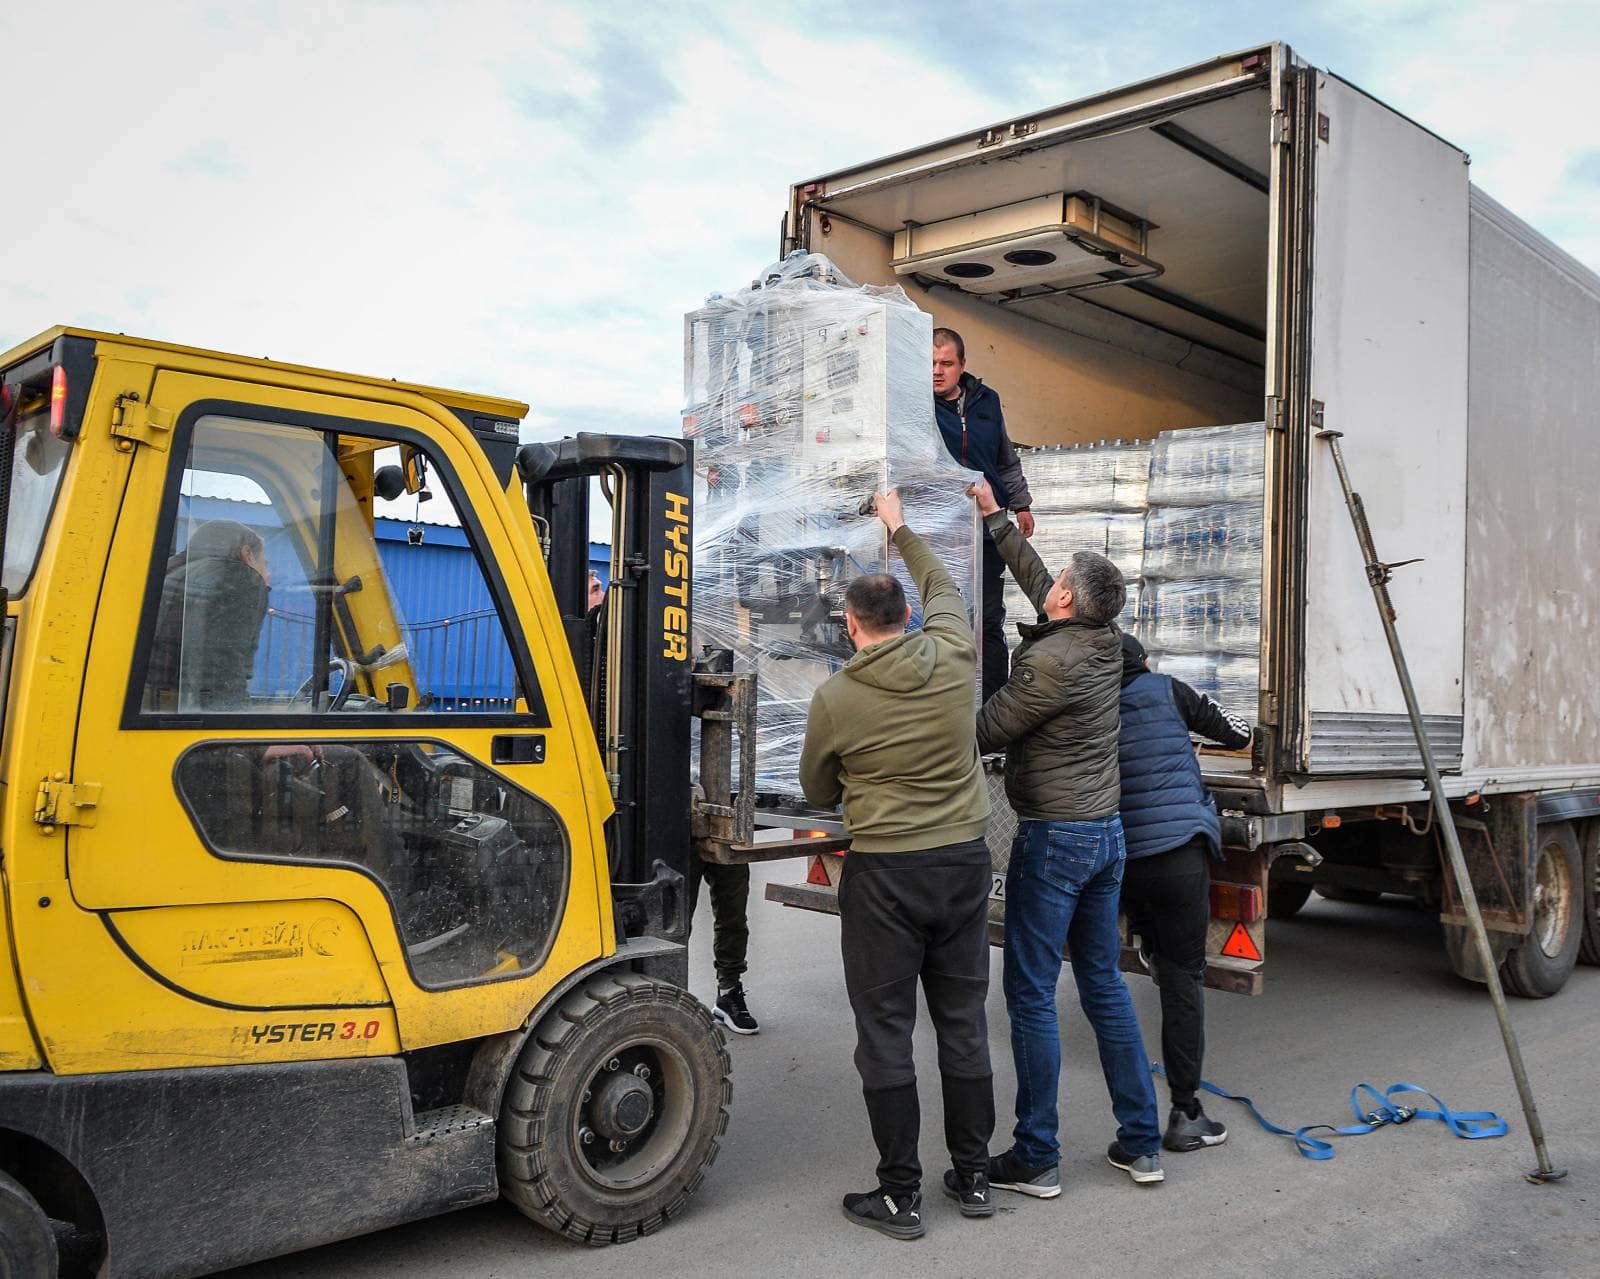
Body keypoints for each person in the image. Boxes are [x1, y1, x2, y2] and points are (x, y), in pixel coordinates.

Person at [799, 488, 996, 1240]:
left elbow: (819, 788)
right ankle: (975, 1175)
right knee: (963, 1018)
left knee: (885, 1027)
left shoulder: (836, 696)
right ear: (907, 616)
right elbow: (946, 584)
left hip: (885, 872)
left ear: (852, 626)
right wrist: (900, 525)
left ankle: (901, 1194)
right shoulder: (952, 655)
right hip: (962, 861)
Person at [968, 477, 1165, 1194]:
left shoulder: (1049, 664)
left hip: (1056, 840)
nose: (1048, 585)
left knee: (1027, 992)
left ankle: (1037, 1154)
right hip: (1104, 835)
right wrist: (996, 518)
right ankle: (1141, 1142)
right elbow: (1038, 581)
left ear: (1065, 604)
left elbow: (987, 727)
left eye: (1057, 585)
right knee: (1104, 984)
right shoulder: (1109, 639)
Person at [1116, 633, 1252, 1153]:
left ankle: (1135, 1121)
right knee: (1183, 981)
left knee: (1115, 979)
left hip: (1122, 857)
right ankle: (1185, 1110)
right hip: (1178, 855)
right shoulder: (1168, 690)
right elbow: (1236, 735)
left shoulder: (1089, 698)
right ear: (1144, 662)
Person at [931, 327, 1034, 704]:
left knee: (989, 618)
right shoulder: (914, 404)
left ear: (962, 366)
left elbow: (1005, 459)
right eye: (931, 364)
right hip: (940, 531)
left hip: (987, 528)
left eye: (946, 363)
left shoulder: (987, 402)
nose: (937, 372)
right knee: (943, 615)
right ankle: (945, 704)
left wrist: (1020, 504)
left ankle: (994, 707)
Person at [148, 520, 272, 710]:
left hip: (156, 705)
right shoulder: (239, 580)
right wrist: (248, 734)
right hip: (196, 714)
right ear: (247, 554)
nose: (268, 574)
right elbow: (224, 673)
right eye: (265, 563)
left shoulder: (169, 575)